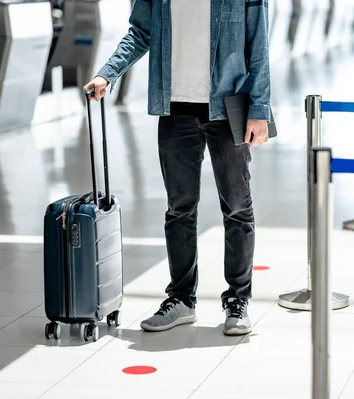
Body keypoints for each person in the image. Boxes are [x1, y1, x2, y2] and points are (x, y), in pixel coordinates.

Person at [83, 0, 271, 336]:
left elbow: (257, 45)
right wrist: (106, 73)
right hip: (174, 108)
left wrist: (259, 110)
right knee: (179, 209)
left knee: (238, 207)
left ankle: (237, 300)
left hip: (229, 107)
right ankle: (182, 299)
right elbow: (140, 33)